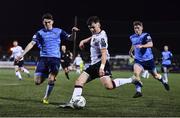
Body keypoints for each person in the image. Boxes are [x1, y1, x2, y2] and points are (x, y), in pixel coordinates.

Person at [59, 16, 139, 108]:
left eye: (93, 27)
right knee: (79, 81)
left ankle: (131, 79)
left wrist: (102, 67)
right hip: (94, 65)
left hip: (101, 64)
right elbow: (93, 36)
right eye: (90, 28)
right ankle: (72, 102)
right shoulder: (98, 33)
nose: (92, 29)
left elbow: (104, 53)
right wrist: (83, 41)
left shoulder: (101, 38)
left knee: (109, 86)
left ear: (98, 24)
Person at [17, 13, 79, 104]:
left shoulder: (59, 31)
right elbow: (31, 43)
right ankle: (50, 75)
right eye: (45, 22)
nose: (47, 24)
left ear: (52, 22)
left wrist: (73, 32)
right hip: (43, 59)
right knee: (37, 82)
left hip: (55, 59)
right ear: (43, 22)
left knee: (51, 78)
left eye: (49, 22)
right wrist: (22, 54)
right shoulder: (39, 33)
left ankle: (46, 97)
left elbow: (71, 38)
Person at [129, 21, 170, 98]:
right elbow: (133, 44)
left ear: (142, 28)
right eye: (135, 28)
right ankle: (138, 91)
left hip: (149, 60)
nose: (136, 29)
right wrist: (130, 51)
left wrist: (142, 46)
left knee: (155, 76)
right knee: (136, 74)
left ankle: (164, 81)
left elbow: (151, 44)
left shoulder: (146, 35)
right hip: (139, 60)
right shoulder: (132, 37)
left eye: (138, 27)